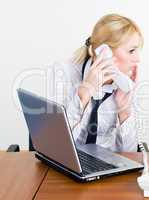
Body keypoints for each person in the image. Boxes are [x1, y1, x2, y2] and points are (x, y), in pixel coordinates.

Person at [52, 14, 143, 152]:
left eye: (137, 50)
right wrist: (83, 96)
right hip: (68, 165)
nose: (138, 59)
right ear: (104, 52)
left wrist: (124, 112)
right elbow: (56, 144)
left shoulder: (125, 84)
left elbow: (128, 155)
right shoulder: (65, 73)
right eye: (131, 51)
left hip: (107, 168)